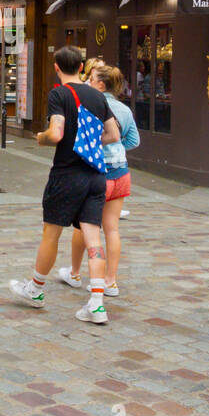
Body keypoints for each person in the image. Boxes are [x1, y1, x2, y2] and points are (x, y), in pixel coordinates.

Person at [9, 45, 120, 324]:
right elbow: (114, 133)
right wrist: (90, 144)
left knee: (51, 234)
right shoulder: (97, 95)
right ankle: (96, 304)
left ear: (56, 68)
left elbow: (56, 133)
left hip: (67, 175)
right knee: (94, 238)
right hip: (96, 175)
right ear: (81, 68)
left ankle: (35, 289)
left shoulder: (58, 94)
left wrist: (40, 137)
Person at [58, 65, 139, 297]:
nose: (87, 82)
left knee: (85, 227)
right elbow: (134, 140)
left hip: (96, 172)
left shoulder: (91, 104)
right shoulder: (124, 109)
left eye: (91, 79)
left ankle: (75, 273)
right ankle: (111, 281)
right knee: (112, 229)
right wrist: (117, 146)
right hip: (121, 172)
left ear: (101, 84)